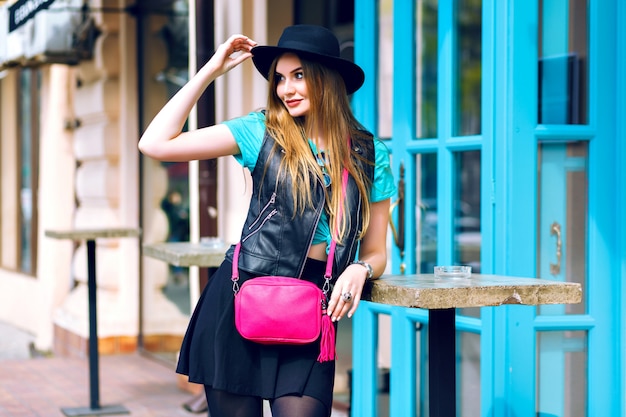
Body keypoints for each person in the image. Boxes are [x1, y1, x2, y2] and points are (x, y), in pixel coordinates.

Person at [139, 24, 396, 417]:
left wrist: (361, 268)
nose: (286, 89)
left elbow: (377, 252)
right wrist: (210, 70)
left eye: (299, 76)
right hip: (243, 298)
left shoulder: (368, 153)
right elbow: (155, 144)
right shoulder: (259, 131)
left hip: (312, 310)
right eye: (279, 78)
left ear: (327, 80)